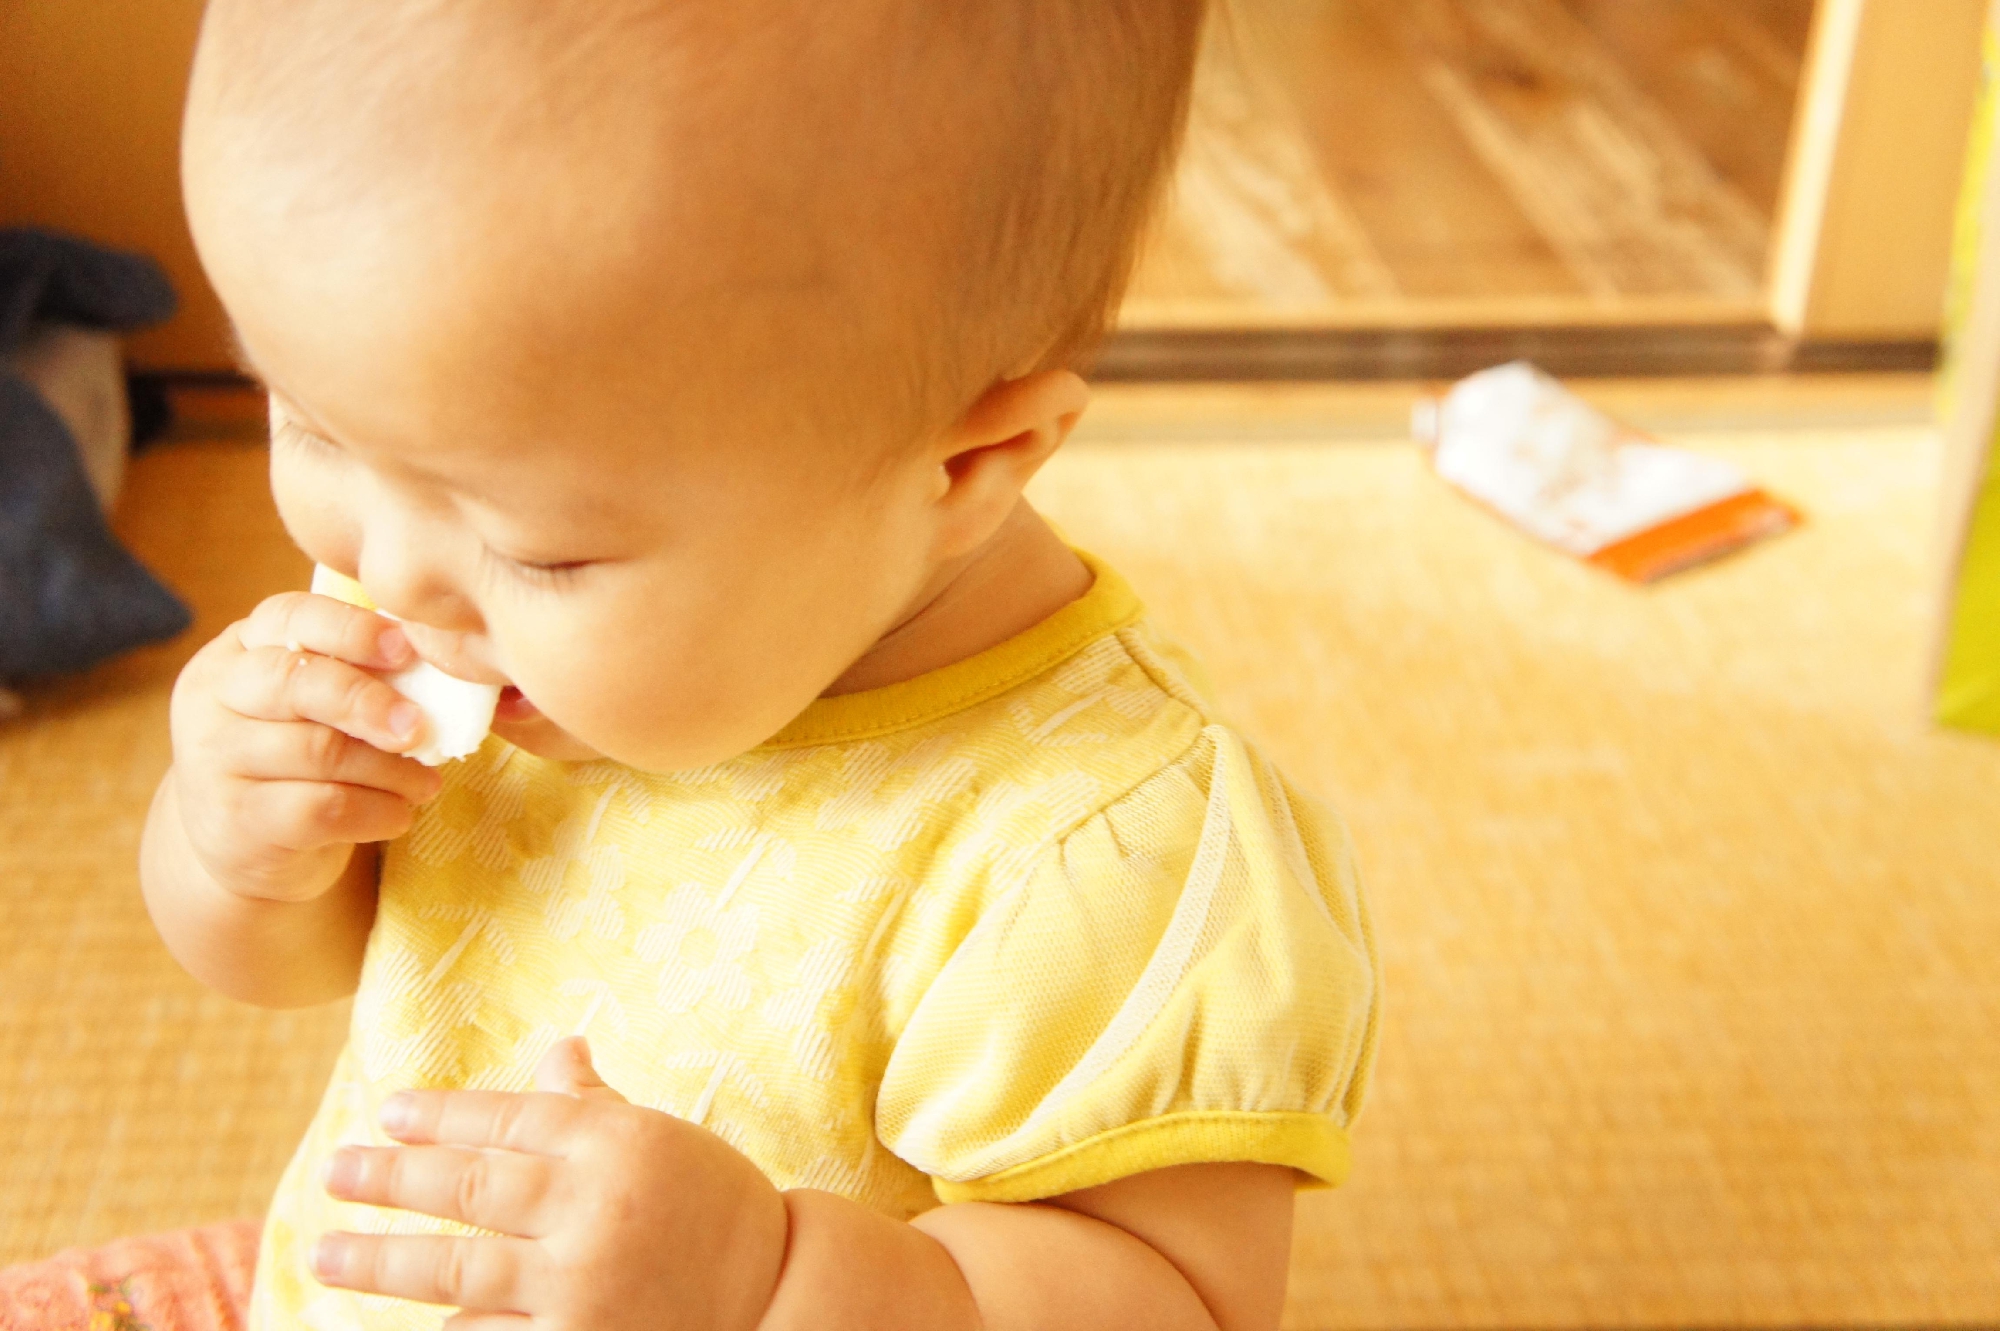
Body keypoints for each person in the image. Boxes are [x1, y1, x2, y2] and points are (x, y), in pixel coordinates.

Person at [130, 0, 1381, 1326]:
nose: (384, 566)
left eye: (544, 551)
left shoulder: (1096, 861)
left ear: (963, 468)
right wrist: (234, 848)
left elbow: (1181, 1303)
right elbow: (294, 956)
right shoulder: (460, 585)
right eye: (315, 426)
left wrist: (766, 1281)